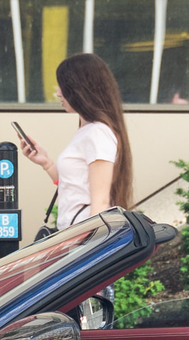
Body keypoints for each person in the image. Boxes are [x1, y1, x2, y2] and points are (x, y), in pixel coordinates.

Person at [17, 51, 133, 230]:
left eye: (62, 86)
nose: (57, 93)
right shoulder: (88, 130)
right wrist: (46, 163)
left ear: (80, 89)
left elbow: (100, 203)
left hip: (83, 240)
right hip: (75, 237)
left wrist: (90, 249)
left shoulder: (98, 133)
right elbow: (75, 187)